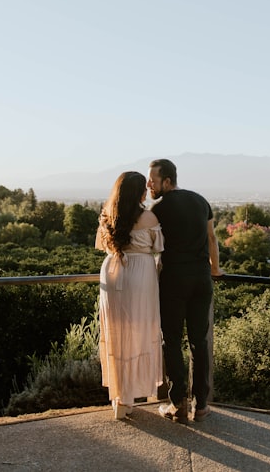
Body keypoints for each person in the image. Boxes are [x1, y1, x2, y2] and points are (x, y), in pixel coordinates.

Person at [147, 158, 223, 424]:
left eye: (153, 181)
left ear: (167, 181)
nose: (149, 186)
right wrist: (216, 269)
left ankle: (178, 403)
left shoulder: (158, 208)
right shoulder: (201, 201)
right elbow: (212, 239)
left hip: (174, 279)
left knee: (172, 339)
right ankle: (201, 405)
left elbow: (148, 242)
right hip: (202, 278)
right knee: (198, 342)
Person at [95, 171, 165, 419]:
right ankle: (129, 395)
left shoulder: (107, 215)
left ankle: (119, 398)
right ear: (139, 192)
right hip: (140, 274)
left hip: (112, 272)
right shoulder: (148, 217)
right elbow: (158, 248)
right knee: (139, 331)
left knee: (115, 332)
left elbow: (102, 245)